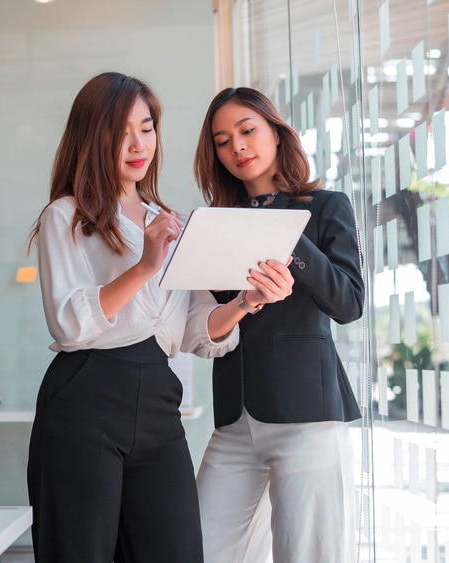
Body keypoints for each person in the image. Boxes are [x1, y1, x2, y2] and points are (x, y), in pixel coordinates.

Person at [25, 72, 293, 563]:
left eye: (146, 128)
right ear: (92, 136)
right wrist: (145, 265)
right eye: (119, 131)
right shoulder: (66, 216)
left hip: (158, 402)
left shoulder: (169, 220)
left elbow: (195, 329)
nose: (136, 143)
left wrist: (245, 302)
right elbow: (68, 323)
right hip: (86, 396)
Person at [192, 86, 365, 563]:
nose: (238, 148)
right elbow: (209, 320)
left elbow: (349, 303)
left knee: (310, 554)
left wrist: (291, 236)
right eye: (222, 141)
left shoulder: (327, 207)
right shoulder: (216, 221)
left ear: (275, 132)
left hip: (307, 416)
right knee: (196, 546)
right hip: (234, 418)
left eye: (247, 131)